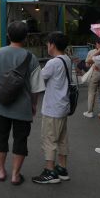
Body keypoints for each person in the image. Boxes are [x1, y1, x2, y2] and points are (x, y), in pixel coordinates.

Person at [0, 21, 45, 185]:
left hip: (0, 104)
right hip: (22, 107)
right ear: (26, 37)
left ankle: (2, 171)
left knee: (0, 137)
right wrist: (33, 105)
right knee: (20, 140)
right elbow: (36, 88)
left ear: (8, 35)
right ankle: (15, 175)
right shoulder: (31, 58)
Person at [32, 32, 72, 184]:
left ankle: (50, 172)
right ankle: (62, 168)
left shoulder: (53, 63)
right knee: (62, 139)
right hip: (63, 106)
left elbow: (39, 79)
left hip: (53, 108)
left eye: (48, 44)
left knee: (49, 139)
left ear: (52, 45)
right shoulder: (66, 59)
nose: (47, 46)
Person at [83, 46, 100, 118]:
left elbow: (87, 64)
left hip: (94, 74)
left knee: (91, 93)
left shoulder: (91, 52)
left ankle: (90, 112)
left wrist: (92, 65)